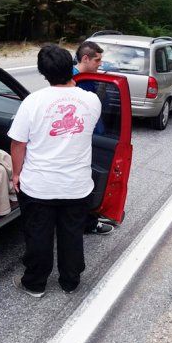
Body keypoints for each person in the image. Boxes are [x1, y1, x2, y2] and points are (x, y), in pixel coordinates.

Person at [8, 44, 102, 298]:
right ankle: (70, 281)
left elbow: (18, 143)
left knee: (38, 234)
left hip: (39, 185)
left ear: (43, 73)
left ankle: (35, 283)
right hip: (77, 184)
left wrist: (16, 174)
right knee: (72, 234)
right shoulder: (92, 100)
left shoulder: (33, 102)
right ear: (70, 67)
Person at [73, 41, 115, 236]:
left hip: (94, 134)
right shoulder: (74, 80)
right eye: (97, 60)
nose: (100, 64)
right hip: (83, 139)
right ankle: (88, 222)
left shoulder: (87, 78)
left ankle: (94, 213)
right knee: (86, 179)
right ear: (85, 58)